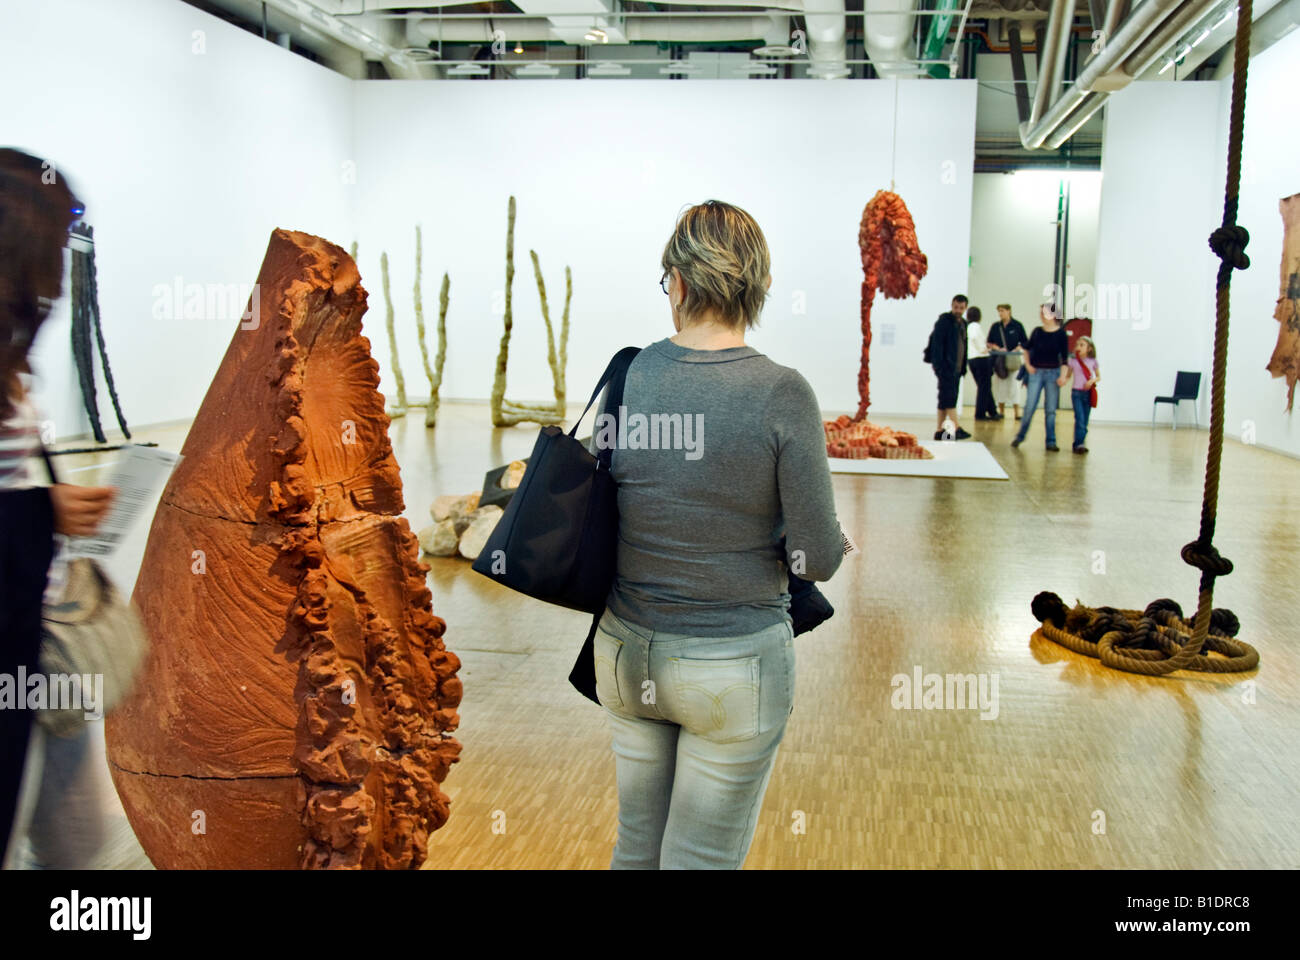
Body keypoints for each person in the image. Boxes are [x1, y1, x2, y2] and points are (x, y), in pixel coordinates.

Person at [595, 200, 843, 869]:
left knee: (636, 851)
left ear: (677, 282)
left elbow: (617, 491)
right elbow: (815, 559)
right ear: (756, 287)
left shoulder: (633, 373)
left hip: (625, 654)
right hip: (730, 667)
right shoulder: (783, 393)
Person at [0, 149, 116, 866]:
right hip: (15, 650)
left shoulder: (12, 369)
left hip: (43, 641)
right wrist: (47, 514)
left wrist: (50, 509)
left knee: (78, 839)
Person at [1011, 302, 1071, 451]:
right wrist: (1029, 365)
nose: (1042, 316)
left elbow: (1064, 358)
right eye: (1041, 313)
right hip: (1036, 373)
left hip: (1053, 374)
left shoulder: (1061, 334)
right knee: (1030, 406)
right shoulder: (1037, 332)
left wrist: (1063, 376)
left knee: (1050, 409)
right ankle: (1020, 436)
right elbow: (1026, 348)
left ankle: (1051, 441)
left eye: (1045, 313)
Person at [927, 295, 971, 440]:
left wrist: (963, 367)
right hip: (946, 368)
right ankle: (956, 428)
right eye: (955, 307)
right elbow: (937, 345)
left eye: (961, 308)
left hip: (957, 369)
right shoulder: (944, 322)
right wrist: (938, 366)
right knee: (949, 398)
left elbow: (964, 346)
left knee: (944, 399)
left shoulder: (963, 323)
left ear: (965, 308)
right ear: (952, 305)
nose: (958, 310)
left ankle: (940, 431)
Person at [986, 303, 1028, 419]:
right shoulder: (995, 326)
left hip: (1013, 360)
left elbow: (1025, 342)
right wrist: (998, 349)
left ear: (1009, 311)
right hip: (999, 361)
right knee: (1001, 386)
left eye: (1002, 311)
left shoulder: (1017, 325)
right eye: (999, 311)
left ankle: (1017, 412)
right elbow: (989, 342)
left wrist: (1017, 349)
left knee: (1015, 386)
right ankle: (1001, 412)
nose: (1000, 313)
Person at [965, 306, 1000, 421]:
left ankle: (992, 412)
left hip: (972, 359)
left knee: (983, 387)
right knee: (984, 388)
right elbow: (976, 338)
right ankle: (980, 414)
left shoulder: (968, 326)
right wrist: (983, 348)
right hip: (981, 359)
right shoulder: (975, 326)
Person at [1068, 335, 1099, 454]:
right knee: (1079, 418)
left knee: (1084, 420)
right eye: (1077, 345)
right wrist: (1062, 379)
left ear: (1089, 348)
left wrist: (1092, 381)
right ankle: (1079, 443)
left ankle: (1079, 442)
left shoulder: (1093, 362)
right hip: (1076, 393)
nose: (1078, 347)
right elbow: (1068, 375)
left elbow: (1098, 376)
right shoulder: (1073, 361)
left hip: (1087, 393)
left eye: (1082, 345)